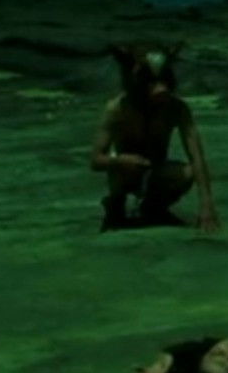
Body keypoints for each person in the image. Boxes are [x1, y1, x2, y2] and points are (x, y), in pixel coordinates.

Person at [91, 42, 220, 233]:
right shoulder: (117, 109)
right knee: (116, 170)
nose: (160, 89)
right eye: (151, 82)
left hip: (156, 169)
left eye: (163, 81)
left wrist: (207, 205)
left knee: (188, 173)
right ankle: (116, 206)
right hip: (125, 172)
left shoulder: (177, 108)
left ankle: (153, 207)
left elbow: (197, 158)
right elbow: (95, 160)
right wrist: (123, 160)